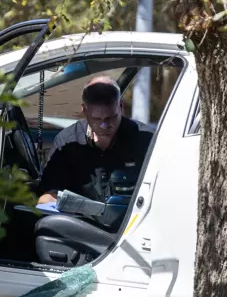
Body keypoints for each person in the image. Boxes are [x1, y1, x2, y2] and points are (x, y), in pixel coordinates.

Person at [37, 76, 153, 205]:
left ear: (121, 106)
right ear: (84, 110)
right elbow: (48, 196)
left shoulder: (146, 141)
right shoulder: (67, 142)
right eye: (97, 119)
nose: (104, 125)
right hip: (77, 222)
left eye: (111, 118)